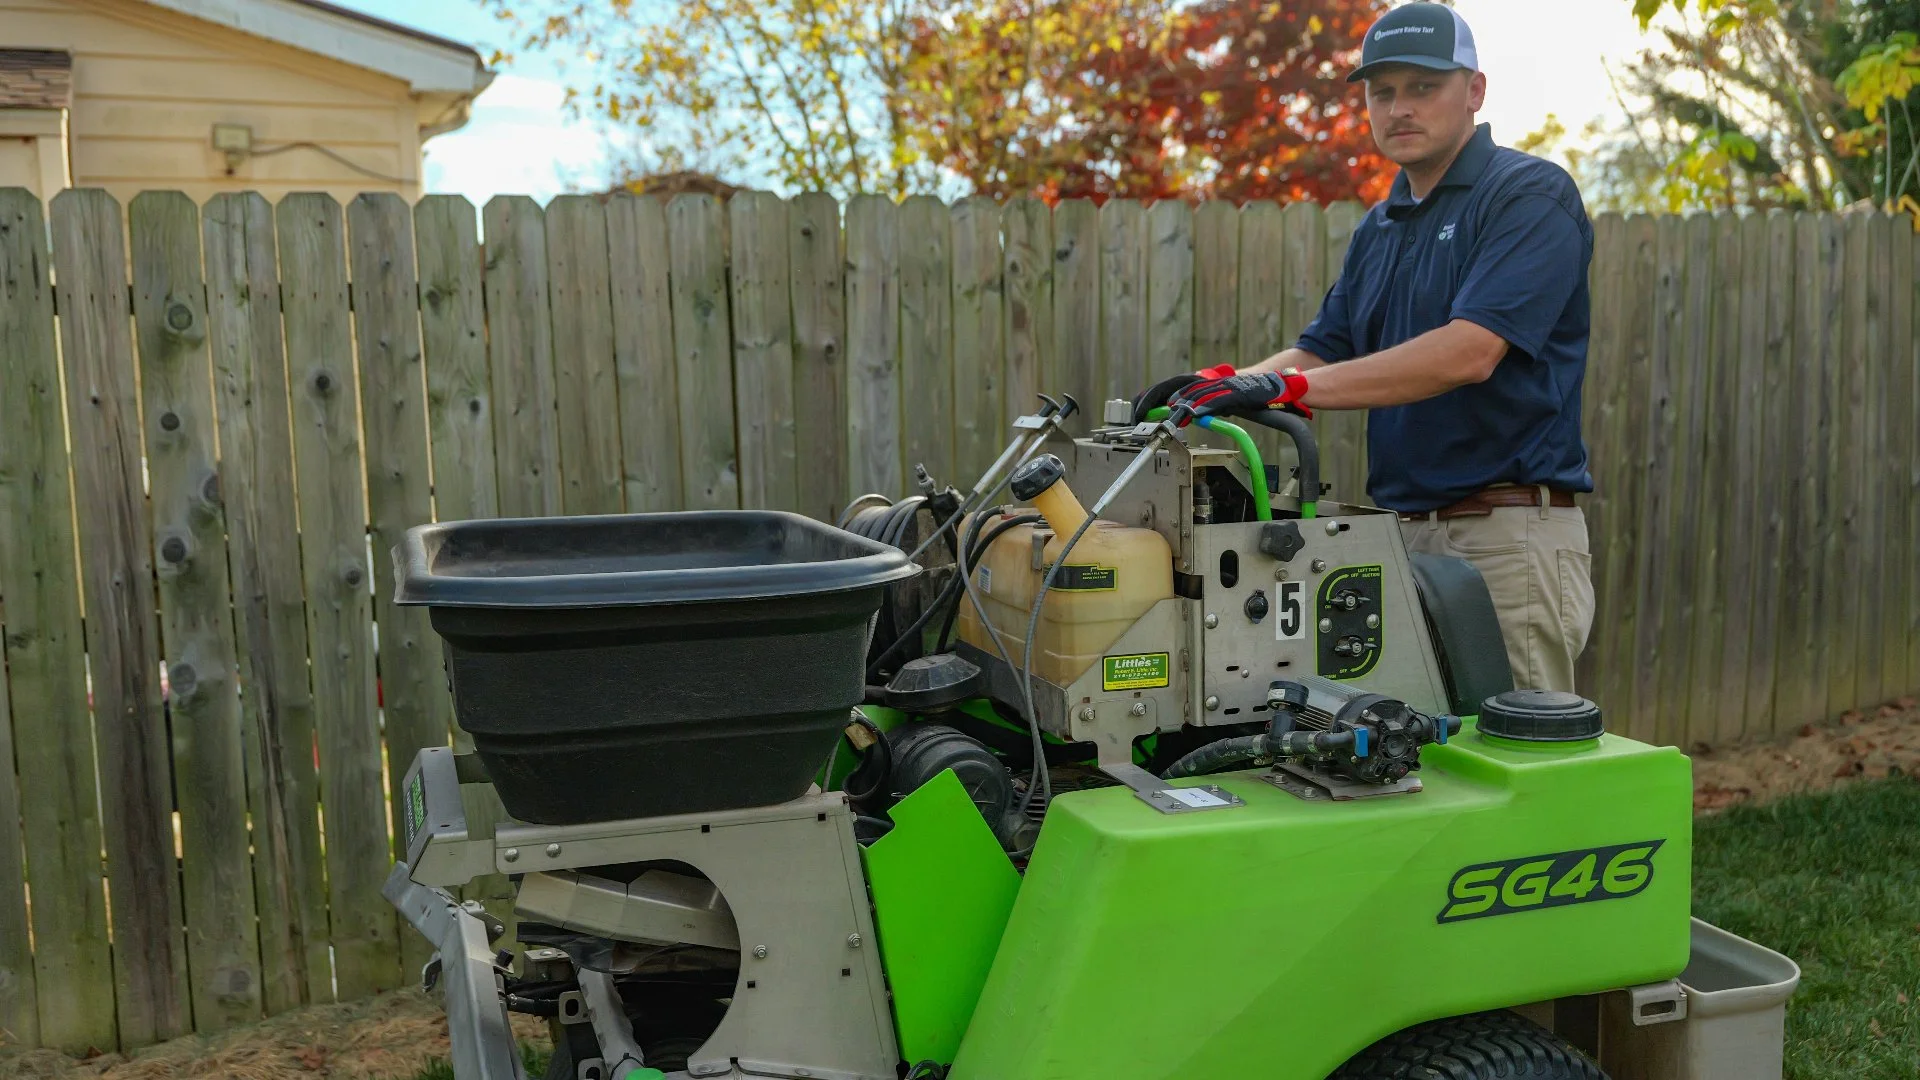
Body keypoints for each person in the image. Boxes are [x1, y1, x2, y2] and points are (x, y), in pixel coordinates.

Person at [1133, 2, 1596, 693]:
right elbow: (1322, 349)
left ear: (1474, 91)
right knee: (1405, 769)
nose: (1399, 108)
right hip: (1396, 539)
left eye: (1422, 87)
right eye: (1383, 92)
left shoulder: (1526, 195)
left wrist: (1284, 391)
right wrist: (1214, 388)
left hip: (1502, 539)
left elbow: (1469, 352)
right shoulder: (1383, 226)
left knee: (1519, 767)